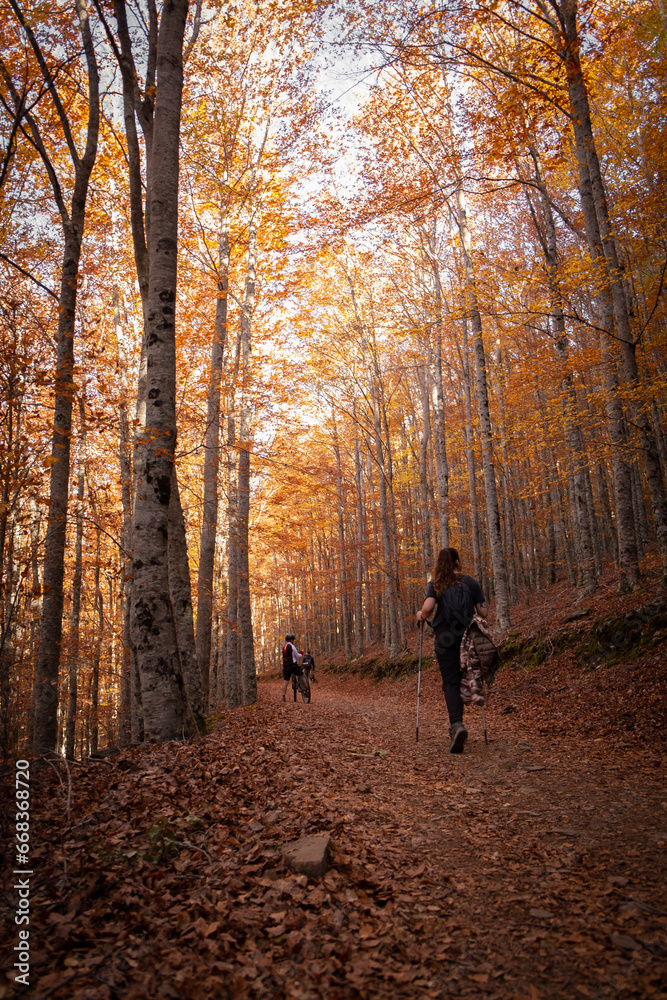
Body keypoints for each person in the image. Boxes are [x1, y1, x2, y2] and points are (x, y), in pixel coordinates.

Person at [417, 547, 487, 753]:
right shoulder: (471, 583)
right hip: (468, 637)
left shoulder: (437, 584)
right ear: (458, 562)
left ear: (439, 564)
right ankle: (467, 713)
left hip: (445, 638)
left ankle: (456, 724)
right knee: (468, 674)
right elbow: (483, 612)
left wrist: (421, 614)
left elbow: (428, 608)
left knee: (450, 682)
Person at [281, 634, 303, 701]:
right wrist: (301, 653)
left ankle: (283, 697)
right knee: (301, 675)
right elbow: (298, 655)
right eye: (292, 639)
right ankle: (306, 687)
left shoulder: (284, 647)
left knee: (285, 682)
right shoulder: (292, 646)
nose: (293, 641)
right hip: (293, 665)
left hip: (285, 666)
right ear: (291, 640)